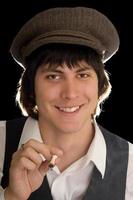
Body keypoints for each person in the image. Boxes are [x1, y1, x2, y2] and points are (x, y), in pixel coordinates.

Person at [0, 6, 132, 200]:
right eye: (54, 76)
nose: (70, 93)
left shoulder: (131, 165)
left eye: (82, 74)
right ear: (31, 86)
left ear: (99, 85)